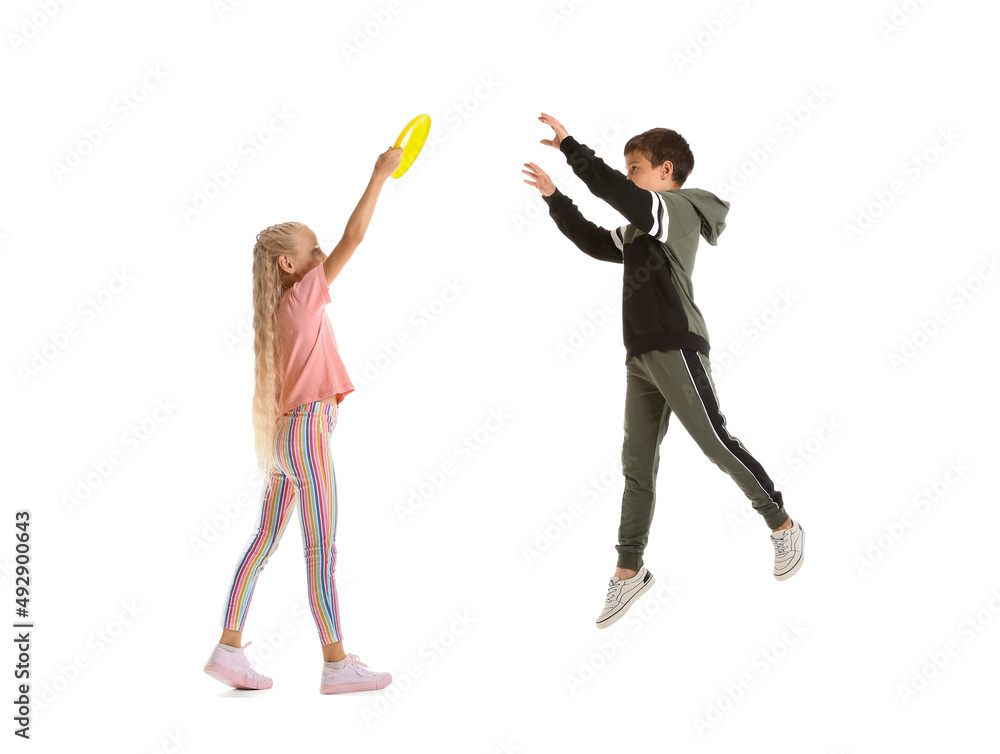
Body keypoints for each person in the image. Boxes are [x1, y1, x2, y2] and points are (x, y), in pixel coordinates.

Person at [522, 112, 805, 630]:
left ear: (665, 171)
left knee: (714, 441)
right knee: (637, 464)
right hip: (641, 356)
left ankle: (781, 522)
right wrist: (554, 199)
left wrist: (571, 148)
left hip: (676, 346)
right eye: (627, 169)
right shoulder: (638, 229)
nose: (628, 177)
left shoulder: (673, 210)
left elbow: (615, 192)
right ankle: (629, 570)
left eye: (636, 168)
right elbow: (592, 240)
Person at [202, 145, 403, 693]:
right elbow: (354, 238)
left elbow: (338, 247)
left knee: (264, 542)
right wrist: (379, 174)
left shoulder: (276, 311)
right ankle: (336, 664)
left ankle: (229, 648)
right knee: (321, 549)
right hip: (307, 436)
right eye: (312, 252)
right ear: (289, 266)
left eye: (319, 251)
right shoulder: (302, 300)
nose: (322, 258)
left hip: (286, 437)